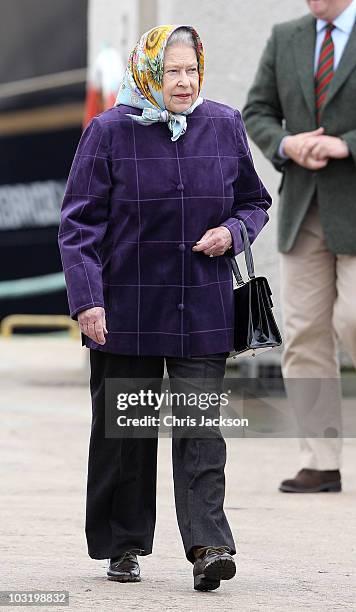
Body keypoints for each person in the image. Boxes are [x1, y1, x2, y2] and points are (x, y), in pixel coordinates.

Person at [58, 24, 271, 591]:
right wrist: (87, 300)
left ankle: (209, 546)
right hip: (124, 308)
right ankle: (122, 546)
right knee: (126, 432)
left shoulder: (223, 124)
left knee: (201, 428)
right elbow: (77, 223)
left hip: (201, 304)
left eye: (192, 70)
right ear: (150, 71)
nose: (184, 81)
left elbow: (255, 201)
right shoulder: (107, 131)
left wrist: (233, 232)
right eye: (173, 71)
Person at [242, 0, 356, 493]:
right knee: (305, 333)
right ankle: (321, 459)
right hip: (303, 209)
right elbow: (258, 110)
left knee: (352, 320)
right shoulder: (286, 36)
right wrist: (285, 145)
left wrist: (345, 143)